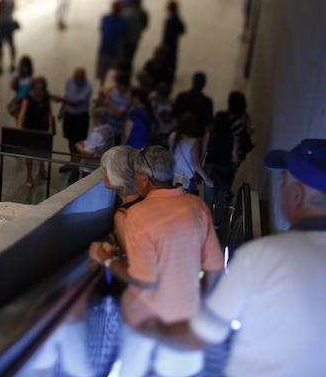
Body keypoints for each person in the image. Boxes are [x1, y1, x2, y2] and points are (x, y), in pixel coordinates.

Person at [139, 139, 326, 377]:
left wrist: (153, 329)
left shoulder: (261, 256)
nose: (281, 189)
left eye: (283, 182)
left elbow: (199, 337)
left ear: (297, 195)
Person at [89, 146, 223, 377]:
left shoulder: (138, 214)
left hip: (146, 323)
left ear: (144, 178)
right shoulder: (198, 206)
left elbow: (143, 279)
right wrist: (194, 301)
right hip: (186, 322)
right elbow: (215, 268)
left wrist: (106, 259)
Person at [17, 76, 54, 189]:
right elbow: (22, 113)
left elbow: (49, 113)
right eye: (36, 89)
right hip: (30, 128)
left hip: (42, 128)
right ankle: (29, 176)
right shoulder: (28, 97)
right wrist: (19, 128)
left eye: (41, 89)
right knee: (29, 154)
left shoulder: (46, 96)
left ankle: (42, 168)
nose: (38, 91)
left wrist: (51, 127)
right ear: (33, 88)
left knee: (42, 151)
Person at [100, 146, 141, 247]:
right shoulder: (148, 197)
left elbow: (132, 257)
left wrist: (107, 259)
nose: (102, 172)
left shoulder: (123, 215)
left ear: (117, 175)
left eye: (106, 169)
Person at [54, 67, 92, 170]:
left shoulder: (87, 87)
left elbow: (77, 102)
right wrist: (61, 110)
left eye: (78, 79)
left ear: (83, 78)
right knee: (70, 139)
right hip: (69, 116)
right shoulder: (70, 81)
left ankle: (77, 165)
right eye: (75, 78)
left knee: (78, 141)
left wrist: (61, 99)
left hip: (80, 117)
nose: (76, 81)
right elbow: (67, 96)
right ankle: (72, 161)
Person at [170, 113, 214, 192]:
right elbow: (196, 164)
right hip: (188, 180)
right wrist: (207, 179)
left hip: (174, 178)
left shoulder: (172, 136)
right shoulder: (193, 142)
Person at [203, 111, 237, 213]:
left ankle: (207, 216)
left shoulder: (209, 135)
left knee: (208, 195)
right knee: (221, 195)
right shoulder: (233, 137)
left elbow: (204, 151)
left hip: (210, 167)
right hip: (225, 168)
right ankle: (217, 221)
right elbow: (235, 156)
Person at [96, 1, 128, 85]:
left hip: (115, 52)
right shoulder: (106, 18)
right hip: (105, 49)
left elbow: (123, 38)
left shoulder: (123, 21)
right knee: (102, 73)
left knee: (112, 75)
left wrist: (121, 54)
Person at [122, 0, 149, 72]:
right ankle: (127, 72)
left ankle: (124, 73)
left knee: (124, 57)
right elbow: (145, 26)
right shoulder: (143, 13)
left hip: (125, 39)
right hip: (135, 38)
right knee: (130, 57)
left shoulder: (125, 10)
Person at [103, 72, 131, 144]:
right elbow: (105, 102)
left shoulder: (127, 97)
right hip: (106, 126)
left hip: (117, 131)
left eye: (118, 85)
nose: (117, 86)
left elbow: (119, 113)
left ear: (124, 86)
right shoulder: (113, 91)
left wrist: (110, 103)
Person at [228, 90, 254, 164]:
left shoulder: (228, 119)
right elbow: (249, 131)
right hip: (243, 149)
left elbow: (234, 141)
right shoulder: (245, 116)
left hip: (233, 152)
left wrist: (235, 159)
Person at [161, 0, 186, 72]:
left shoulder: (172, 19)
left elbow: (167, 35)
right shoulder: (177, 18)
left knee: (167, 62)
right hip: (174, 43)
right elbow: (182, 30)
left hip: (169, 44)